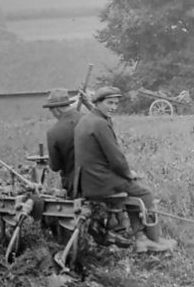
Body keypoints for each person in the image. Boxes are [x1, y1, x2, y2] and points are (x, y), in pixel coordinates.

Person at [74, 86, 176, 253]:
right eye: (109, 103)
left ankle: (141, 238)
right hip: (102, 182)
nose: (113, 107)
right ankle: (153, 240)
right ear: (98, 103)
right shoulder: (100, 124)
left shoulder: (86, 120)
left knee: (133, 191)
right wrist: (129, 174)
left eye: (116, 103)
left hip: (88, 181)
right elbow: (116, 159)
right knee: (144, 193)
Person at [42, 88, 84, 198]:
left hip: (76, 187)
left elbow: (55, 166)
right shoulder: (90, 119)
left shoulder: (53, 132)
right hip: (103, 182)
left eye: (51, 111)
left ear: (56, 109)